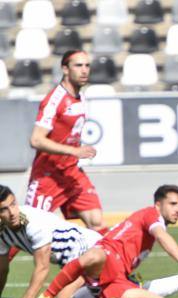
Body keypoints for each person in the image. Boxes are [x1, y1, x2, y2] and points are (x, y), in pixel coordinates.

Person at [30, 185, 178, 298]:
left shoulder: (153, 223)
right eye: (173, 204)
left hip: (115, 279)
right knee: (94, 254)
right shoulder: (151, 215)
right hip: (105, 259)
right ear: (158, 205)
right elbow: (162, 237)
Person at [26, 49, 106, 233]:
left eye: (87, 65)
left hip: (71, 173)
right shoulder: (54, 100)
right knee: (26, 230)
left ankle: (84, 262)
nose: (84, 70)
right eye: (78, 65)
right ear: (65, 69)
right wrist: (74, 151)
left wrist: (73, 155)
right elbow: (36, 140)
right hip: (48, 176)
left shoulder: (81, 97)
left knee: (97, 222)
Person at [0, 184, 101, 298]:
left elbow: (42, 268)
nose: (12, 213)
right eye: (4, 209)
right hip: (74, 263)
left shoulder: (33, 222)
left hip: (92, 251)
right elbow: (2, 269)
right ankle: (105, 284)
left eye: (13, 204)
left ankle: (111, 286)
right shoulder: (2, 232)